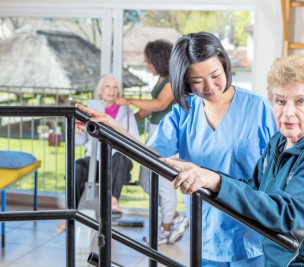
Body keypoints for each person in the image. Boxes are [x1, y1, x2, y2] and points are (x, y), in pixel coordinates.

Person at [76, 31, 277, 266]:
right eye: (197, 81)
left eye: (215, 75)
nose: (210, 86)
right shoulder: (183, 112)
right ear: (185, 81)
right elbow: (151, 155)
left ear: (224, 65)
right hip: (206, 233)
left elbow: (278, 170)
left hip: (251, 232)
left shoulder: (259, 108)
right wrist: (113, 127)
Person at [161, 53, 304, 266]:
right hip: (289, 259)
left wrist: (215, 181)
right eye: (280, 101)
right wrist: (206, 176)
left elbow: (285, 214)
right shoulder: (279, 142)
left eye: (300, 101)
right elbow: (254, 189)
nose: (288, 112)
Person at [114, 40, 187, 245]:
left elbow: (161, 104)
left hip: (168, 136)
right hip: (155, 134)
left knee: (163, 183)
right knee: (146, 180)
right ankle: (175, 218)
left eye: (149, 62)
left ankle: (165, 230)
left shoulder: (174, 78)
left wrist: (129, 100)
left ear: (159, 59)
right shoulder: (162, 79)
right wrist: (124, 119)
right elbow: (149, 110)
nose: (147, 66)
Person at [56, 75, 140, 233]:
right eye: (107, 86)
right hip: (94, 160)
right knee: (76, 167)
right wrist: (77, 130)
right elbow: (78, 142)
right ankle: (72, 214)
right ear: (99, 91)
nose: (112, 90)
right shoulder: (91, 110)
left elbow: (134, 140)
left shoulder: (126, 112)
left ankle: (113, 201)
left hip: (117, 161)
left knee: (120, 157)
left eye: (115, 87)